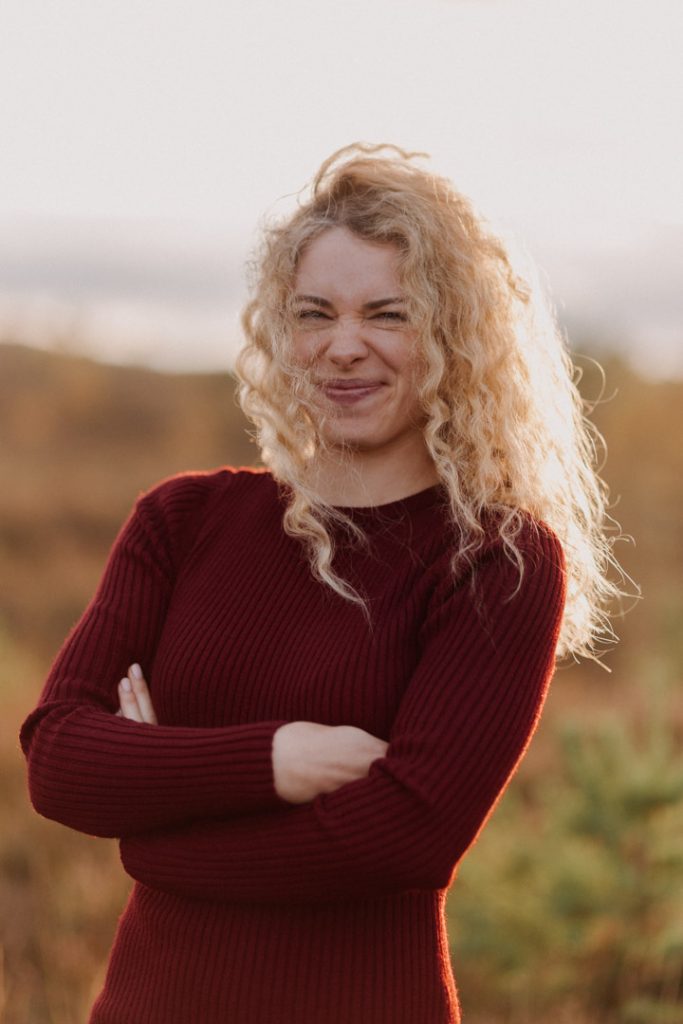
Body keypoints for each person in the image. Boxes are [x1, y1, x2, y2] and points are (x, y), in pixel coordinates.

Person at [19, 143, 621, 1023]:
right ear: (280, 330)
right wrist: (274, 759)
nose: (343, 349)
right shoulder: (182, 522)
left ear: (455, 334)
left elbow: (401, 837)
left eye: (387, 314)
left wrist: (154, 822)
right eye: (313, 314)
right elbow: (62, 761)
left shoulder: (497, 560)